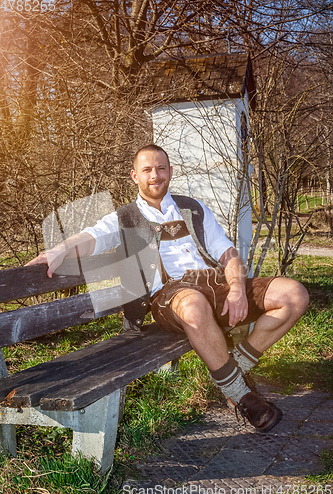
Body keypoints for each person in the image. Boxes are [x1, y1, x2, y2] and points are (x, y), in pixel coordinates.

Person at [27, 144, 309, 432]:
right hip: (170, 296)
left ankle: (232, 370)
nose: (155, 175)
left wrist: (236, 289)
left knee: (294, 295)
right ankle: (239, 394)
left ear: (170, 172)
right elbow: (91, 237)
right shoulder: (124, 219)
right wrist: (59, 249)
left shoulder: (193, 209)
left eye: (161, 168)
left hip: (215, 283)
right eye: (147, 169)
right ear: (134, 175)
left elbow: (228, 254)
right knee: (193, 304)